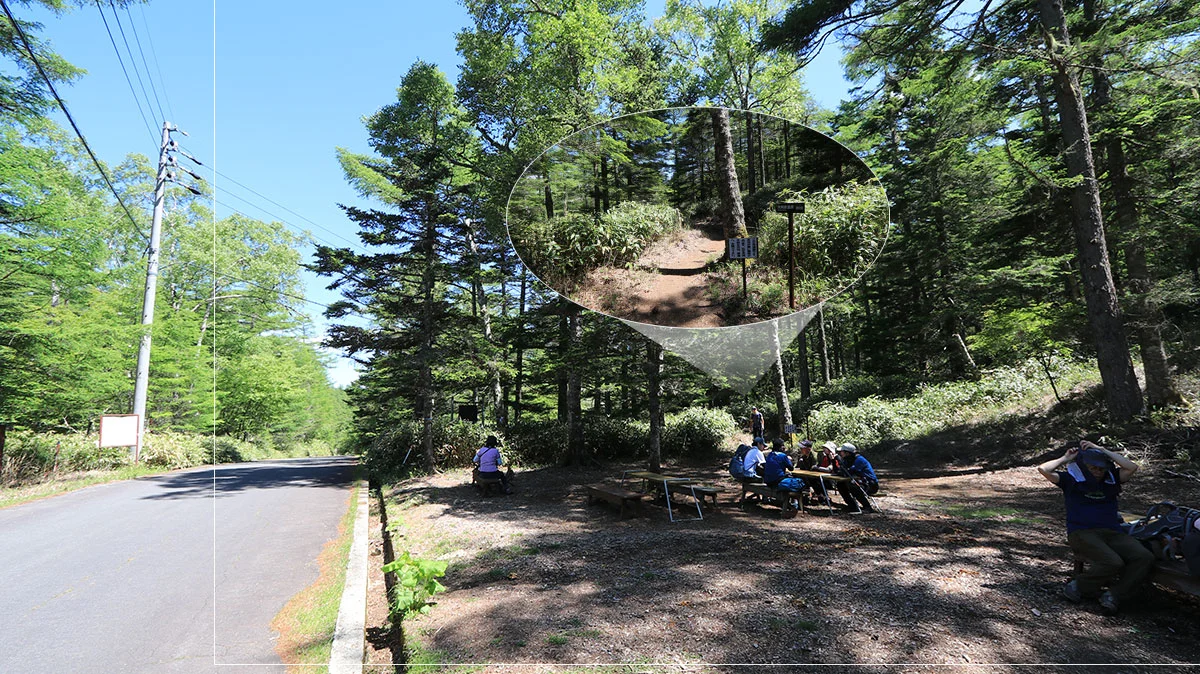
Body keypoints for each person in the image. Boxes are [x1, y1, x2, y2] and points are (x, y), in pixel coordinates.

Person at [1037, 439, 1154, 614]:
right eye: (1093, 468)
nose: (1098, 472)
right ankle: (1079, 585)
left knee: (1144, 557)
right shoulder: (1071, 479)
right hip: (1082, 532)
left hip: (1112, 532)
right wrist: (1065, 457)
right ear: (1084, 466)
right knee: (1113, 562)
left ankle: (1115, 594)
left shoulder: (1112, 478)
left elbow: (1131, 467)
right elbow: (1043, 469)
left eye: (1101, 468)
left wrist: (1101, 449)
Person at [834, 443, 878, 513]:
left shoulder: (859, 460)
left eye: (841, 452)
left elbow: (851, 472)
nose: (840, 453)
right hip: (861, 482)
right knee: (840, 485)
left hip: (871, 484)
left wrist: (842, 466)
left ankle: (867, 507)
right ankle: (852, 506)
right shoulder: (847, 459)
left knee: (853, 487)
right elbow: (840, 471)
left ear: (847, 453)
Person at [763, 438, 805, 509]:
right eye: (783, 445)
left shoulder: (770, 455)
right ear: (780, 447)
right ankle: (794, 503)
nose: (784, 447)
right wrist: (789, 460)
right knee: (796, 482)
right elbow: (791, 468)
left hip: (768, 481)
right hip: (777, 481)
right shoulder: (782, 456)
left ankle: (766, 498)